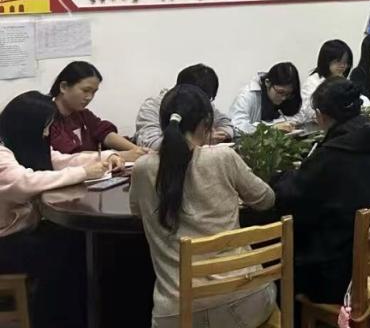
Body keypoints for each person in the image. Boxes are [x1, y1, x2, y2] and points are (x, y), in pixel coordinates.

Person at [130, 84, 276, 328]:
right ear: (206, 122)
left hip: (176, 314)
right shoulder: (223, 157)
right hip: (244, 303)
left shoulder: (142, 168)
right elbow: (266, 199)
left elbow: (137, 211)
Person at [274, 78, 370, 303]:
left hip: (348, 276)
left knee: (282, 259)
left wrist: (279, 178)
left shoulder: (331, 156)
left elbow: (293, 198)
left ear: (320, 115)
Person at [0, 91, 122, 328]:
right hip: (6, 242)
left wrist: (107, 157)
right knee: (71, 253)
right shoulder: (2, 153)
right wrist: (84, 173)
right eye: (45, 127)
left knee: (85, 242)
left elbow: (61, 160)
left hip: (25, 231)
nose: (47, 133)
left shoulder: (19, 144)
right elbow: (24, 183)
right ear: (27, 124)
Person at [48, 61, 147, 161]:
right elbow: (70, 156)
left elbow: (104, 133)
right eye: (85, 90)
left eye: (94, 92)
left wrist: (137, 150)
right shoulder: (47, 119)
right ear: (64, 87)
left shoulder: (83, 114)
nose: (89, 97)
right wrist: (120, 155)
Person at [135, 64, 233, 150]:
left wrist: (219, 134)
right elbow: (152, 144)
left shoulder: (204, 104)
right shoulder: (152, 106)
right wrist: (201, 140)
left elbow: (227, 124)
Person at [229, 62, 303, 134]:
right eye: (280, 92)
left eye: (288, 94)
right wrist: (271, 128)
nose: (284, 98)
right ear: (267, 82)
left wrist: (285, 124)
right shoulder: (247, 96)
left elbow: (299, 116)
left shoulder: (290, 97)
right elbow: (238, 127)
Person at [297, 39, 356, 125]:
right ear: (326, 61)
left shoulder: (344, 81)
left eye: (346, 62)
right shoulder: (312, 82)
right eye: (338, 61)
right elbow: (310, 111)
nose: (343, 66)